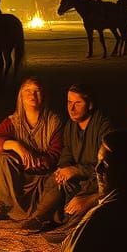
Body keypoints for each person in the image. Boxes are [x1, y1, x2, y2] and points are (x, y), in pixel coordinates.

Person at [20, 83, 112, 232]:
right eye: (69, 102)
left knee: (80, 205)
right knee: (55, 179)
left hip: (96, 181)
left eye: (77, 103)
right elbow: (66, 153)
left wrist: (76, 170)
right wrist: (63, 169)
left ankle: (67, 224)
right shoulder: (71, 126)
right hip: (78, 178)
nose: (72, 108)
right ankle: (39, 217)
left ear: (90, 105)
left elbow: (106, 167)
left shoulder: (104, 127)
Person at [0, 77, 64, 223]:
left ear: (43, 96)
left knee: (58, 183)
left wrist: (36, 161)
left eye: (37, 91)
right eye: (27, 91)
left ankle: (38, 215)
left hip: (41, 176)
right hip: (17, 176)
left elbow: (55, 155)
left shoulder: (54, 122)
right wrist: (16, 146)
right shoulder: (13, 121)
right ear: (21, 96)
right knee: (3, 158)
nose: (32, 95)